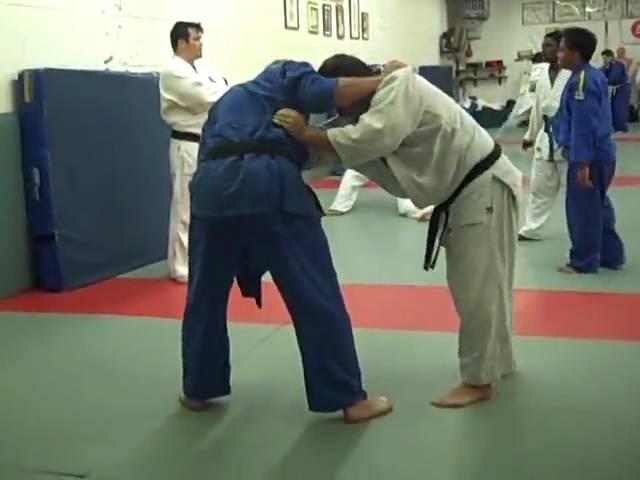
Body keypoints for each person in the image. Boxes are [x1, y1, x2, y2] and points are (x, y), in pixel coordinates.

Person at [275, 55, 523, 409]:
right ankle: (498, 363)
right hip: (472, 191)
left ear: (351, 84)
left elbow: (373, 136)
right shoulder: (368, 110)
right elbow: (350, 147)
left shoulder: (397, 85)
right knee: (486, 286)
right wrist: (302, 144)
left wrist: (307, 133)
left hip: (481, 188)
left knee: (478, 289)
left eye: (336, 96)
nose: (338, 109)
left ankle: (479, 381)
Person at [181, 59, 400, 423]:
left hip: (209, 192)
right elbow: (324, 91)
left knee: (204, 295)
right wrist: (383, 80)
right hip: (266, 184)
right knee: (315, 293)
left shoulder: (235, 98)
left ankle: (197, 389)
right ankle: (348, 397)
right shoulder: (287, 72)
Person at [159, 22, 228, 283]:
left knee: (208, 203)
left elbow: (222, 87)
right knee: (185, 207)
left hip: (209, 142)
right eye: (196, 39)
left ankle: (202, 258)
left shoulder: (202, 68)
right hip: (186, 144)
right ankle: (180, 266)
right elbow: (203, 98)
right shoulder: (172, 72)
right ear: (181, 43)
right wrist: (218, 87)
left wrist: (218, 87)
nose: (201, 43)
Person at [555, 28, 625, 274]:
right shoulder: (592, 76)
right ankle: (611, 255)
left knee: (583, 209)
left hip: (589, 157)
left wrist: (581, 163)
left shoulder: (582, 81)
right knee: (598, 205)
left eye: (562, 49)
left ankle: (584, 261)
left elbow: (584, 125)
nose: (558, 54)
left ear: (576, 53)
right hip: (602, 154)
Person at [519, 30, 572, 241]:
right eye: (544, 45)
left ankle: (580, 232)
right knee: (539, 187)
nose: (544, 49)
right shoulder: (541, 75)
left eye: (549, 45)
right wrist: (530, 135)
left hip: (568, 139)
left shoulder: (572, 75)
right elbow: (538, 109)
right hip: (545, 137)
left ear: (561, 48)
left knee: (575, 192)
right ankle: (531, 229)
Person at [326, 168, 434, 220]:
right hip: (378, 151)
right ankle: (339, 206)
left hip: (396, 153)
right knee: (353, 173)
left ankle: (421, 211)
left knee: (401, 178)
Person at [601, 48, 631, 133]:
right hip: (611, 90)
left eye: (606, 58)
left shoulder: (619, 65)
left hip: (622, 89)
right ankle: (612, 126)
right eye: (603, 58)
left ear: (611, 57)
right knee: (610, 108)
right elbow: (602, 75)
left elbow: (615, 77)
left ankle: (621, 128)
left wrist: (608, 82)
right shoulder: (604, 67)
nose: (604, 60)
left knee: (619, 109)